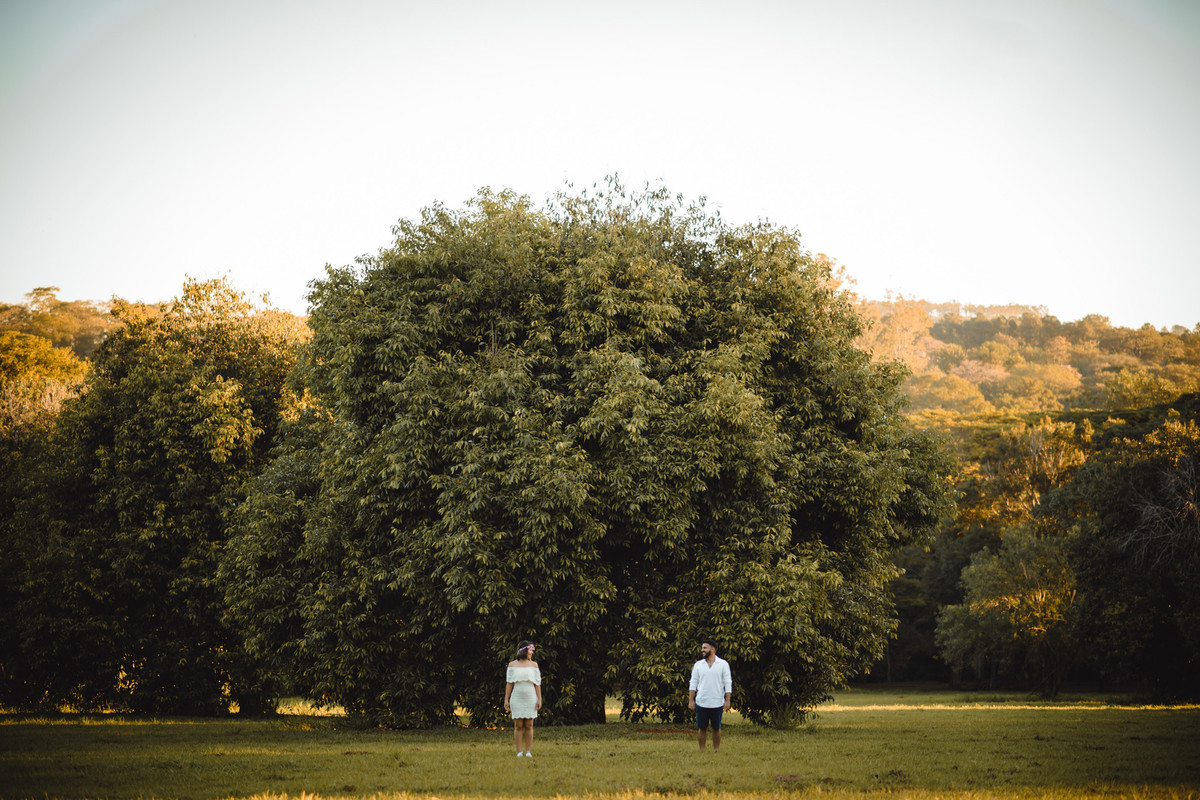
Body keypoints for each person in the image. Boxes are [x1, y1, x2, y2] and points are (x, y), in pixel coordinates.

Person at [688, 638, 732, 752]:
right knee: (702, 727)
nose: (702, 650)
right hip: (702, 701)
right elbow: (693, 683)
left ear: (712, 649)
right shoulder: (698, 665)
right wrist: (691, 700)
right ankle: (702, 750)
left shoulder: (723, 664)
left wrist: (727, 700)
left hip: (717, 702)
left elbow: (728, 683)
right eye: (702, 648)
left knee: (716, 728)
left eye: (705, 648)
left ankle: (716, 749)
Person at [503, 640, 542, 757]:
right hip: (517, 697)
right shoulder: (512, 665)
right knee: (518, 725)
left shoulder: (534, 665)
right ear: (524, 651)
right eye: (530, 650)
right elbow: (509, 683)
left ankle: (528, 751)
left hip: (531, 697)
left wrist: (539, 699)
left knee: (529, 725)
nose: (532, 652)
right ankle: (519, 752)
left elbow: (537, 684)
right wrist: (506, 699)